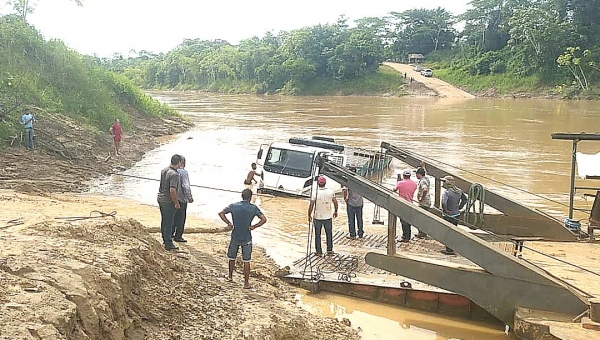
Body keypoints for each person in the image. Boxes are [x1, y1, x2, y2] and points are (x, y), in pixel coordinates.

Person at [218, 189, 267, 289]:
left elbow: (221, 213)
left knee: (232, 258)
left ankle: (230, 277)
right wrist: (254, 226)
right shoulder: (253, 208)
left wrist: (229, 223)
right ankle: (246, 283)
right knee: (246, 260)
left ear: (242, 196)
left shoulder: (234, 206)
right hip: (247, 236)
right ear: (250, 197)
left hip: (235, 235)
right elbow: (264, 219)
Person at [157, 154, 182, 251]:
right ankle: (168, 243)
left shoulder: (164, 170)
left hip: (160, 198)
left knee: (164, 220)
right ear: (179, 162)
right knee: (169, 222)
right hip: (168, 201)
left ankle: (165, 239)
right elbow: (172, 190)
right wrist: (176, 203)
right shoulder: (175, 174)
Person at [308, 176, 338, 256]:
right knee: (329, 233)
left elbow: (311, 205)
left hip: (317, 217)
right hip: (328, 217)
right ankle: (329, 250)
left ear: (318, 183)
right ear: (325, 183)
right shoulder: (330, 192)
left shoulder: (315, 193)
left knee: (317, 234)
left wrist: (309, 215)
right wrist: (336, 211)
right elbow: (335, 202)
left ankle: (319, 251)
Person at [440, 175, 468, 255]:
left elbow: (443, 202)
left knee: (447, 232)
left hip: (448, 215)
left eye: (444, 182)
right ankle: (452, 247)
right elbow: (465, 199)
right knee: (453, 231)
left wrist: (445, 210)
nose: (443, 183)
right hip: (456, 214)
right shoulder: (459, 191)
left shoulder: (446, 193)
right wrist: (459, 207)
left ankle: (449, 250)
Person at [393, 169, 417, 242]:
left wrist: (398, 182)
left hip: (402, 205)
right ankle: (408, 236)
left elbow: (394, 189)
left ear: (403, 175)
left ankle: (405, 237)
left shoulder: (400, 183)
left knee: (403, 222)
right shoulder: (414, 184)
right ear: (410, 176)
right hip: (410, 204)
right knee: (408, 221)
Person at [173, 156, 193, 243]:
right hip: (181, 198)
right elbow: (186, 186)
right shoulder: (183, 172)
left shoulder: (170, 170)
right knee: (181, 218)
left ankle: (171, 233)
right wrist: (189, 197)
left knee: (173, 217)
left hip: (172, 198)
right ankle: (178, 236)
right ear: (182, 163)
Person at [343, 171, 364, 239]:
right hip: (360, 203)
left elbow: (344, 190)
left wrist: (345, 198)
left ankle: (352, 234)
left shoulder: (348, 180)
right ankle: (360, 234)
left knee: (351, 219)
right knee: (360, 219)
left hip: (351, 203)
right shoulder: (360, 180)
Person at [416, 166, 430, 238]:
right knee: (424, 217)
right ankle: (422, 233)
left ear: (419, 174)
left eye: (416, 174)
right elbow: (425, 172)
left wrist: (421, 198)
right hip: (427, 201)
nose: (416, 176)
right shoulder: (426, 178)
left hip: (423, 202)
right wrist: (423, 166)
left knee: (420, 218)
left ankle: (421, 233)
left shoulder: (422, 181)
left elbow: (425, 189)